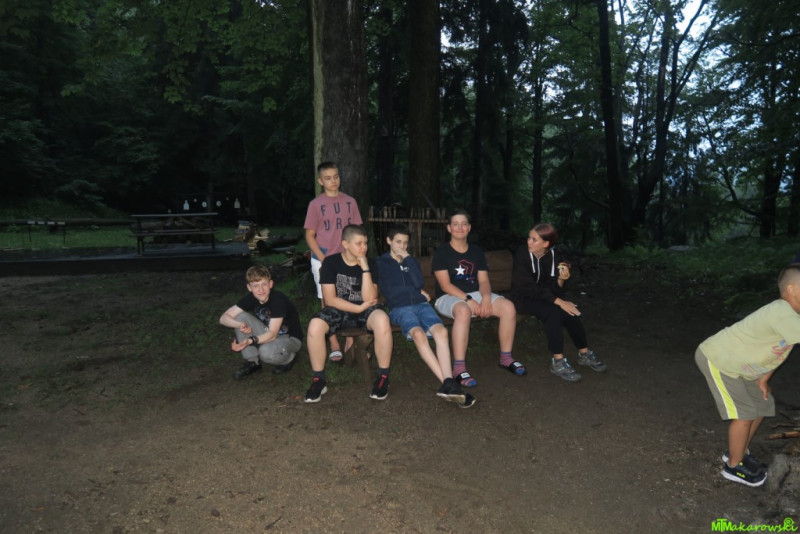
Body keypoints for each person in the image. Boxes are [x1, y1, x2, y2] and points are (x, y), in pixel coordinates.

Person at [695, 264, 800, 487]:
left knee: (761, 404)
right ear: (791, 289)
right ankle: (733, 466)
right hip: (719, 360)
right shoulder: (781, 311)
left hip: (742, 367)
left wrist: (763, 379)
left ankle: (739, 451)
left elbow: (778, 353)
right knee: (744, 413)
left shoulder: (791, 318)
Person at [376, 224, 476, 408]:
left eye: (405, 243)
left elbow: (418, 282)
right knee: (419, 334)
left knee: (442, 332)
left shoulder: (411, 261)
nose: (401, 246)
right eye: (398, 242)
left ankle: (448, 384)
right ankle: (449, 383)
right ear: (388, 241)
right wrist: (411, 289)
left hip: (422, 305)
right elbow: (389, 289)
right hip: (400, 308)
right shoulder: (381, 263)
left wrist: (407, 260)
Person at [431, 209, 522, 387]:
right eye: (455, 224)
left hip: (475, 295)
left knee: (509, 307)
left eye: (464, 224)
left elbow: (484, 281)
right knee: (463, 311)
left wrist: (486, 297)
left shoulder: (477, 252)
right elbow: (445, 285)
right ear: (449, 228)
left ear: (469, 228)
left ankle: (506, 358)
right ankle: (458, 368)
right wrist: (468, 300)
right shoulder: (442, 252)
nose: (460, 228)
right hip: (447, 297)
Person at [304, 224, 393, 403]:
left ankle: (383, 377)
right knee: (315, 326)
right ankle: (319, 380)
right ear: (345, 244)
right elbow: (330, 299)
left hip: (366, 309)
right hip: (339, 310)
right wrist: (357, 308)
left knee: (382, 319)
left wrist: (365, 268)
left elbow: (370, 297)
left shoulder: (371, 263)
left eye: (365, 243)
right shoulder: (331, 263)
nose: (364, 247)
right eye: (359, 243)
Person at [510, 223, 606, 382]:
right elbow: (528, 288)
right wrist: (559, 301)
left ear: (546, 244)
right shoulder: (522, 253)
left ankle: (584, 354)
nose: (529, 242)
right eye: (529, 238)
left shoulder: (554, 256)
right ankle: (558, 362)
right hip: (522, 298)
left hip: (544, 297)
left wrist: (561, 279)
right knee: (553, 311)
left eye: (534, 239)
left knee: (571, 310)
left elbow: (555, 289)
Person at [303, 161, 363, 363]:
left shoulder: (350, 202)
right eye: (328, 178)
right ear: (321, 181)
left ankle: (351, 338)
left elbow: (356, 232)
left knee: (351, 294)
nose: (333, 181)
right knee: (327, 299)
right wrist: (324, 260)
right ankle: (334, 341)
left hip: (347, 257)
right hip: (323, 257)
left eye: (336, 176)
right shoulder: (315, 205)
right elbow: (309, 235)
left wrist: (356, 254)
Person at [219, 265, 303, 380]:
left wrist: (250, 340)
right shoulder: (251, 298)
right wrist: (240, 325)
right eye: (255, 286)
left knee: (265, 352)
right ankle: (253, 362)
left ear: (271, 284)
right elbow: (223, 318)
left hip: (290, 338)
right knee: (239, 317)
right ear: (249, 287)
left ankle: (289, 358)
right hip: (269, 332)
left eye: (264, 284)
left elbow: (272, 334)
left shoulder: (278, 299)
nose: (260, 290)